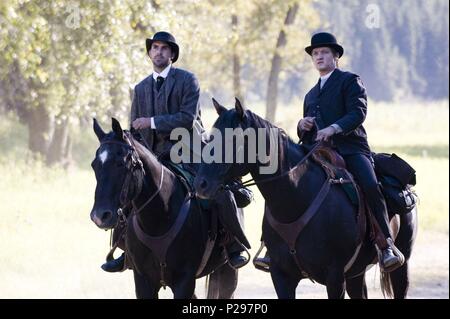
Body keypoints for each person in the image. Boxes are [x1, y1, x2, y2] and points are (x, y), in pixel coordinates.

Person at [254, 32, 404, 273]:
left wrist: (333, 128)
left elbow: (358, 113)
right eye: (315, 53)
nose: (319, 57)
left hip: (351, 148)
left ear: (336, 56)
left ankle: (386, 244)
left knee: (369, 184)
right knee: (279, 184)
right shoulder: (310, 94)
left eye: (324, 52)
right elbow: (308, 132)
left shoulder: (350, 81)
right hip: (315, 150)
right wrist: (302, 126)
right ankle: (270, 247)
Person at [101, 31, 250, 272]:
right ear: (150, 53)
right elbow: (134, 128)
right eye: (155, 48)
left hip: (188, 152)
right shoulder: (140, 88)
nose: (159, 52)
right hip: (151, 156)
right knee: (125, 191)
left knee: (218, 190)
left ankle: (232, 245)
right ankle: (125, 250)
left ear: (172, 55)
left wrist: (151, 122)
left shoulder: (188, 80)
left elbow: (187, 119)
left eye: (164, 48)